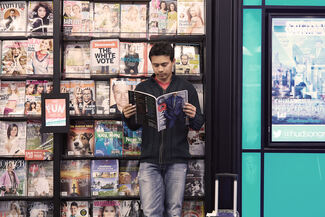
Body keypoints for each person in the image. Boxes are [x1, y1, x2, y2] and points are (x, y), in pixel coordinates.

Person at [123, 42, 204, 217]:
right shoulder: (143, 88)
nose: (160, 69)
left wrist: (193, 114)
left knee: (174, 211)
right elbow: (134, 125)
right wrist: (128, 115)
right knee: (151, 212)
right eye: (156, 65)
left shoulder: (186, 88)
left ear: (173, 62)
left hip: (176, 159)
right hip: (149, 160)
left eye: (164, 64)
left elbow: (197, 124)